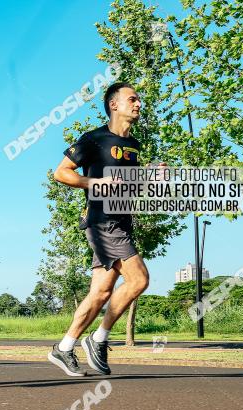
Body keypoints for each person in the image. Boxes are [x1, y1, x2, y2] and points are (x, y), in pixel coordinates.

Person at [48, 82, 152, 377]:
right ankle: (98, 338)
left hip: (121, 221)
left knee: (101, 292)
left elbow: (126, 186)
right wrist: (95, 183)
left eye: (139, 100)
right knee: (139, 280)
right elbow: (61, 173)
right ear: (114, 105)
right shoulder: (93, 139)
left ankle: (65, 347)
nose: (138, 104)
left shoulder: (134, 145)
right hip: (102, 220)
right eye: (132, 99)